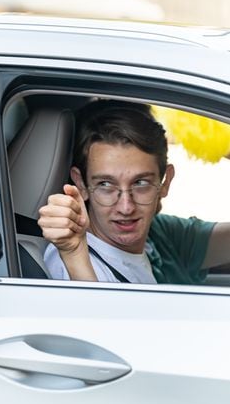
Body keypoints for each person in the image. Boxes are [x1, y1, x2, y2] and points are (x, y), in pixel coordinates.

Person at [39, 100, 230, 284]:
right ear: (81, 184)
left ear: (165, 182)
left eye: (140, 183)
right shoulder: (71, 261)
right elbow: (95, 315)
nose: (126, 207)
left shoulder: (158, 234)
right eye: (106, 184)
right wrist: (75, 255)